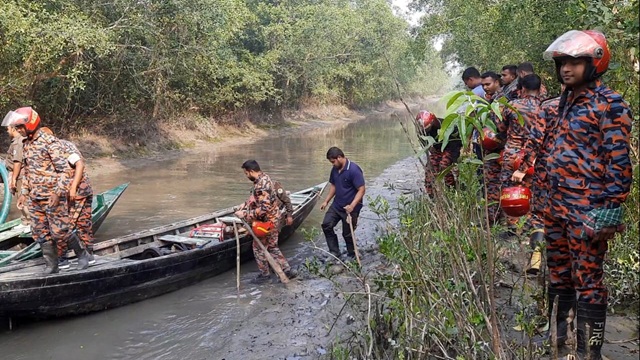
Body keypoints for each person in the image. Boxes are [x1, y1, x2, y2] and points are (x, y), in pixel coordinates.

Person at [514, 30, 632, 359]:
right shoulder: (560, 104)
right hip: (555, 208)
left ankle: (589, 351)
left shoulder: (608, 104)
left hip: (587, 211)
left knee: (589, 281)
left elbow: (619, 162)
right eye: (563, 62)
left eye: (575, 62)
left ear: (594, 63)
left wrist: (610, 211)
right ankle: (558, 339)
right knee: (560, 275)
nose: (566, 68)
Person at [3, 107, 91, 273]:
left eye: (21, 127)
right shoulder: (26, 144)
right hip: (35, 197)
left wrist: (58, 193)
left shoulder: (49, 142)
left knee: (60, 232)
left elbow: (64, 171)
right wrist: (24, 193)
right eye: (17, 127)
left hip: (52, 196)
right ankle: (52, 266)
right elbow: (27, 171)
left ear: (30, 124)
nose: (19, 130)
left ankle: (82, 254)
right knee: (40, 234)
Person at [234, 160, 295, 283]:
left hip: (267, 223)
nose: (246, 176)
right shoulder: (265, 178)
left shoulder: (261, 186)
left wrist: (244, 214)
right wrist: (245, 204)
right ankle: (287, 269)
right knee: (272, 246)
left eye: (246, 174)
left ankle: (265, 275)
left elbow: (263, 209)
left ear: (251, 171)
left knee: (257, 248)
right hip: (274, 219)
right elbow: (257, 199)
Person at [320, 147, 365, 261]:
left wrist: (352, 206)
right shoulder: (335, 169)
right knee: (326, 225)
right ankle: (335, 252)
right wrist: (326, 201)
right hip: (337, 205)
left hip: (350, 208)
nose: (332, 164)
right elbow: (334, 185)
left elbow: (361, 189)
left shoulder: (354, 170)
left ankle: (352, 254)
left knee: (347, 233)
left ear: (339, 157)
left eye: (333, 161)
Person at [59, 138, 96, 267]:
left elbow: (79, 163)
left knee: (64, 225)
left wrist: (73, 187)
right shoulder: (64, 144)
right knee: (83, 224)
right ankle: (88, 254)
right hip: (80, 191)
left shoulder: (62, 146)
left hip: (77, 193)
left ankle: (63, 259)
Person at [414, 110, 462, 197]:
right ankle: (432, 196)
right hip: (437, 149)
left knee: (445, 166)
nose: (426, 131)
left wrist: (454, 162)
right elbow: (425, 142)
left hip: (450, 147)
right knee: (430, 169)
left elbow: (456, 145)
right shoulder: (422, 131)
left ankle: (452, 191)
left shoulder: (448, 127)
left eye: (427, 128)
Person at [2, 123, 30, 232]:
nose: (7, 131)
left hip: (20, 175)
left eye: (8, 129)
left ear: (14, 129)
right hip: (16, 174)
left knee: (23, 199)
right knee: (19, 198)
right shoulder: (16, 141)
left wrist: (13, 178)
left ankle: (29, 222)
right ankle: (25, 221)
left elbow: (17, 163)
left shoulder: (18, 142)